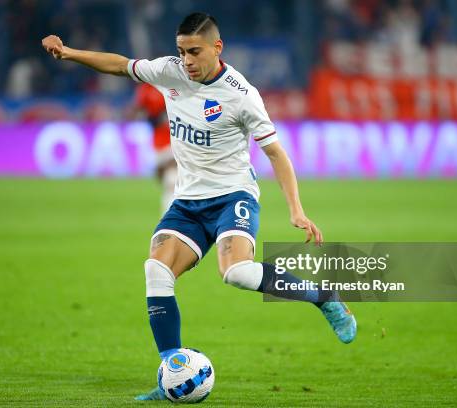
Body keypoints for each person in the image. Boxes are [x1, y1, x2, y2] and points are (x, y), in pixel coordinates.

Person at [42, 12, 356, 401]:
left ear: (216, 48)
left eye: (194, 51)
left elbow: (276, 154)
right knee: (155, 270)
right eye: (181, 51)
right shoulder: (169, 72)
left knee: (237, 273)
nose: (186, 60)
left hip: (232, 196)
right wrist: (68, 52)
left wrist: (296, 209)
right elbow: (120, 65)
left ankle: (323, 297)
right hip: (188, 201)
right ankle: (172, 376)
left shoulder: (241, 95)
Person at [131, 82, 177, 212]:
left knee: (172, 181)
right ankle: (170, 217)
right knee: (166, 180)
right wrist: (154, 118)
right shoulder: (146, 88)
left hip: (177, 142)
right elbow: (140, 111)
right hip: (160, 143)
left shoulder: (173, 85)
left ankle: (170, 217)